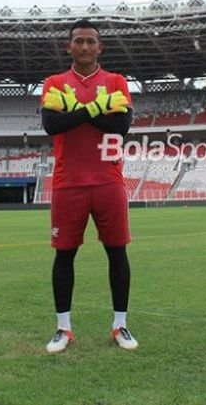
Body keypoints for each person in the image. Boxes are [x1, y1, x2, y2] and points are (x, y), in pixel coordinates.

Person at [40, 19, 138, 353]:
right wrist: (98, 108)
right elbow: (52, 125)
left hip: (108, 181)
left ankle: (120, 325)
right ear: (69, 47)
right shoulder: (54, 81)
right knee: (64, 255)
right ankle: (63, 328)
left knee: (117, 252)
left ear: (100, 47)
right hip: (68, 184)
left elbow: (121, 126)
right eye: (78, 41)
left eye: (90, 41)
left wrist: (77, 109)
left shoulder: (116, 81)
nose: (84, 46)